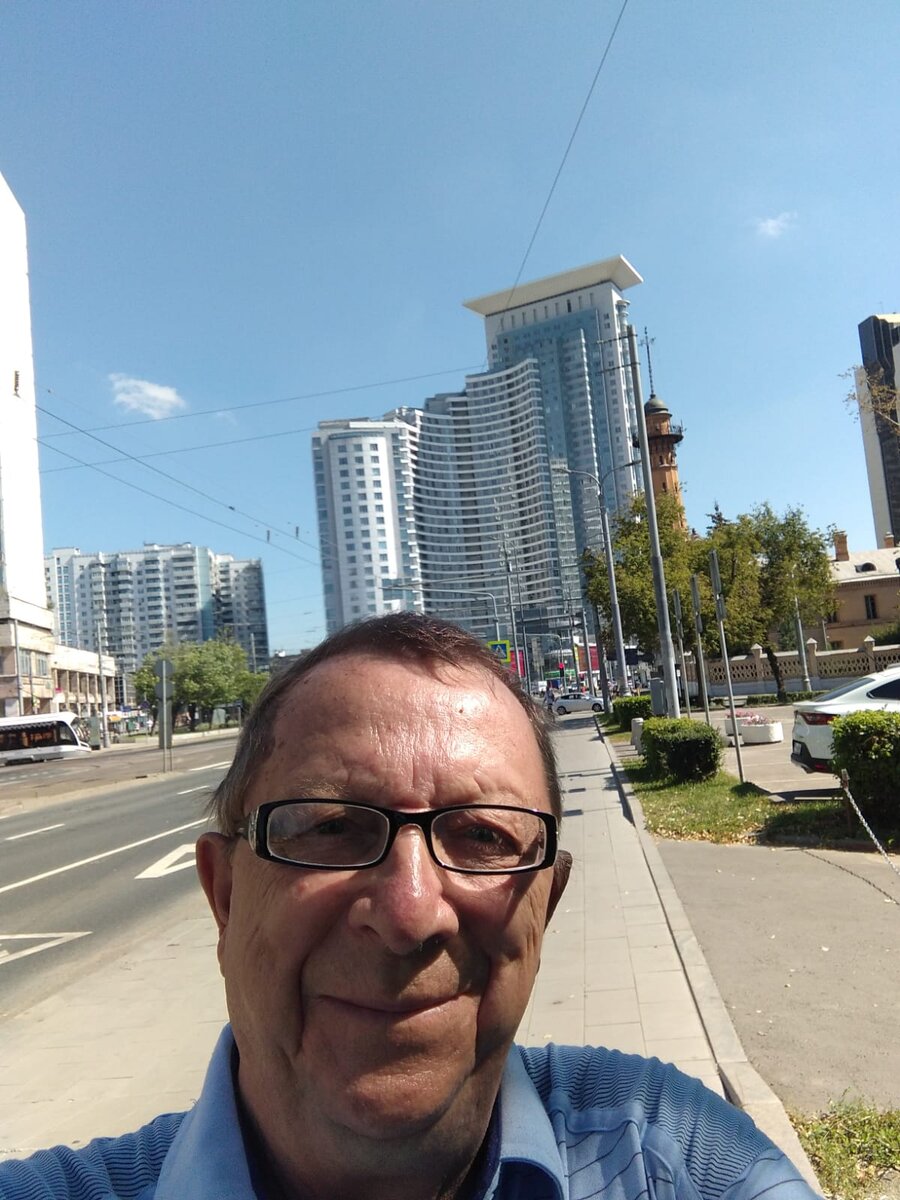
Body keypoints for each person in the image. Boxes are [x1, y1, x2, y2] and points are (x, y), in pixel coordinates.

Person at [0, 613, 818, 1200]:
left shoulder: (672, 1156)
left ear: (546, 906)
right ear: (223, 893)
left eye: (484, 836)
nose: (409, 912)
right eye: (331, 827)